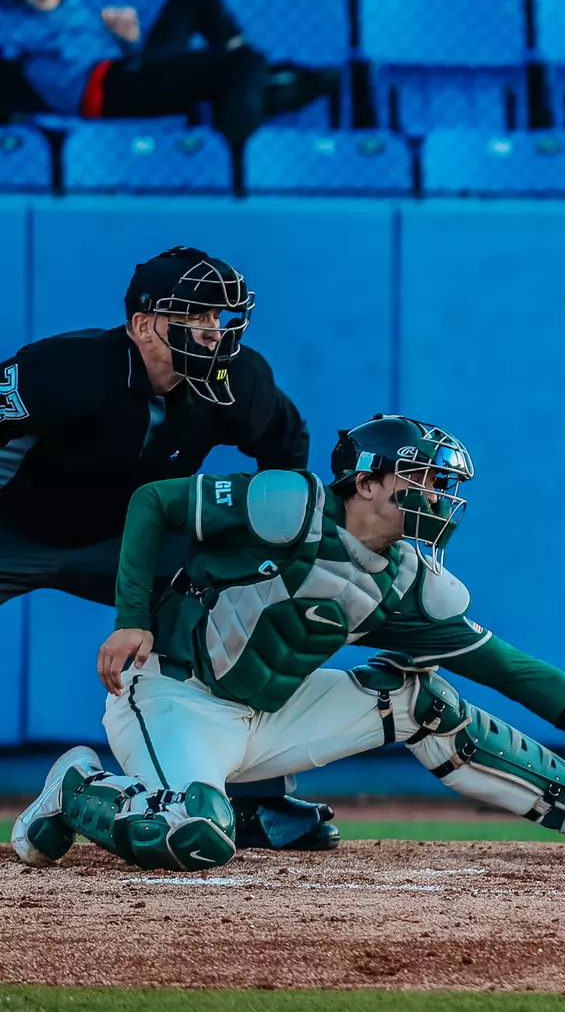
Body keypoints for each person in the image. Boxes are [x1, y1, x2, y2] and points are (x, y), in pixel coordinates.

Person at [9, 414, 565, 870]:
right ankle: (78, 788)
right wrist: (130, 617)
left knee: (418, 695)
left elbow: (511, 670)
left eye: (441, 483)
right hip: (174, 694)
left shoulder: (406, 582)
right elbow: (153, 502)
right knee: (201, 836)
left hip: (272, 716)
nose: (436, 496)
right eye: (421, 478)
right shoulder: (288, 504)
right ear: (366, 481)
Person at [0, 245, 336, 851]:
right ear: (142, 325)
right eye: (196, 317)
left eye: (220, 319)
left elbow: (287, 450)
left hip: (137, 539)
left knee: (241, 605)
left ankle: (252, 800)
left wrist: (266, 548)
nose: (213, 332)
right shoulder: (65, 368)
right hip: (14, 528)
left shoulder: (240, 382)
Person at [6, 0, 336, 146]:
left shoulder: (75, 7)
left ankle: (255, 86)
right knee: (244, 62)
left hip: (129, 73)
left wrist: (128, 38)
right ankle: (239, 154)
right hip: (102, 90)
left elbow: (114, 55)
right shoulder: (16, 23)